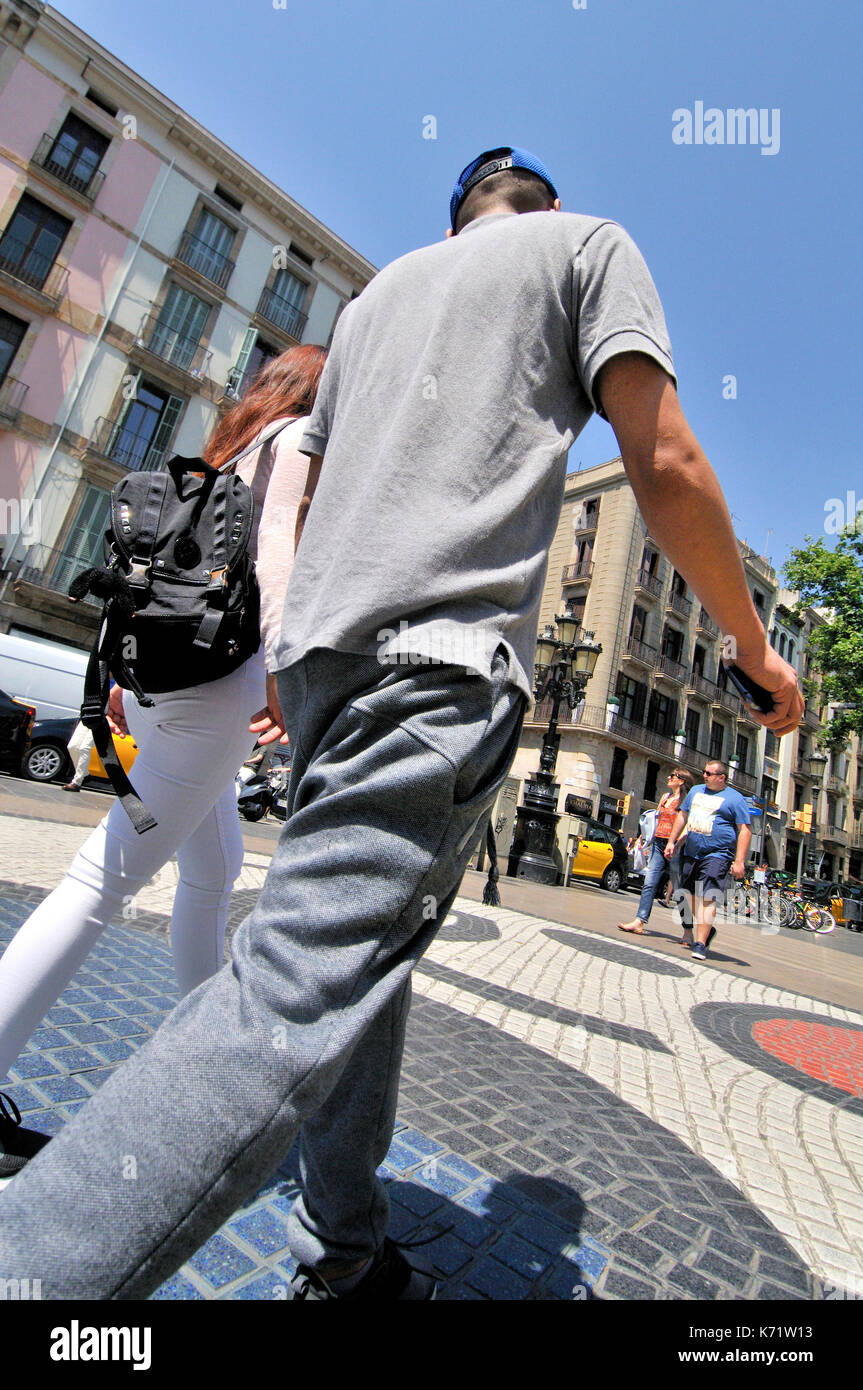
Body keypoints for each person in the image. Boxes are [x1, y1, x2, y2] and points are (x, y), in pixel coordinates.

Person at [0, 145, 802, 1300]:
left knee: (354, 959)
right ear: (545, 205)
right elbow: (662, 455)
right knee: (289, 989)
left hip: (326, 666)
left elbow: (297, 500)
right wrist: (752, 646)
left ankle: (348, 1249)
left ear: (456, 214)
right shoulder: (587, 247)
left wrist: (285, 649)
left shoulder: (373, 303)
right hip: (437, 668)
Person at [0, 345, 326, 1179]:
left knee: (210, 877)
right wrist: (289, 670)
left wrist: (116, 670)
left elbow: (149, 572)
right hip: (219, 694)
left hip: (162, 685)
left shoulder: (228, 449)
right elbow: (279, 559)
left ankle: (202, 1063)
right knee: (95, 885)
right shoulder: (298, 446)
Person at [663, 760, 752, 960]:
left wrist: (739, 861)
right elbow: (682, 816)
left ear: (722, 778)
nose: (705, 776)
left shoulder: (735, 799)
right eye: (704, 772)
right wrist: (672, 841)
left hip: (718, 854)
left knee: (707, 896)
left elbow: (745, 830)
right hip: (692, 852)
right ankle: (705, 927)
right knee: (685, 894)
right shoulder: (695, 791)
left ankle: (701, 943)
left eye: (709, 773)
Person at [618, 768, 695, 934]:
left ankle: (688, 931)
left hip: (676, 847)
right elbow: (654, 820)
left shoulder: (687, 800)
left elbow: (687, 826)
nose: (669, 777)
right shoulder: (665, 797)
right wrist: (643, 838)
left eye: (672, 776)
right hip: (658, 844)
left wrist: (675, 843)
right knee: (649, 883)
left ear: (681, 781)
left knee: (679, 890)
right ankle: (640, 920)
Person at [61, 719, 95, 792]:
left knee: (85, 748)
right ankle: (85, 774)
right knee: (72, 747)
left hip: (103, 720)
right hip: (87, 716)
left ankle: (76, 783)